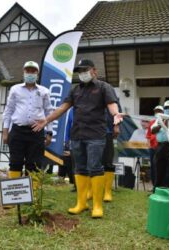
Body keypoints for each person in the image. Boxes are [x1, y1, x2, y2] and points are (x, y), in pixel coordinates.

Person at [32, 59, 123, 218]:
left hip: (96, 134)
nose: (82, 73)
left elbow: (112, 105)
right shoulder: (75, 90)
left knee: (95, 167)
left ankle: (97, 206)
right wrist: (47, 120)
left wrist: (116, 115)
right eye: (79, 71)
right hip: (77, 135)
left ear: (94, 71)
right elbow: (62, 107)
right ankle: (81, 203)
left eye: (85, 70)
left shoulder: (104, 87)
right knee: (79, 168)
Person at [2, 61, 53, 188]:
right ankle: (14, 195)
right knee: (15, 162)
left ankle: (33, 197)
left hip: (36, 132)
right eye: (27, 71)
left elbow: (49, 112)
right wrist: (5, 132)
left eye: (33, 71)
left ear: (37, 73)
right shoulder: (15, 89)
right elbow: (8, 111)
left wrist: (49, 132)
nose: (30, 73)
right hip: (17, 131)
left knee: (34, 164)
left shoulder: (44, 91)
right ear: (23, 72)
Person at [146, 105, 164, 187]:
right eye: (156, 111)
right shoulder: (151, 122)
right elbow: (148, 136)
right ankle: (154, 187)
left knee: (160, 167)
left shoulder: (165, 121)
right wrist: (149, 146)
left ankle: (161, 186)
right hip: (152, 148)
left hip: (162, 147)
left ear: (163, 113)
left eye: (159, 111)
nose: (158, 113)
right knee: (153, 167)